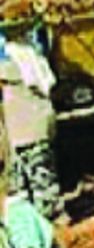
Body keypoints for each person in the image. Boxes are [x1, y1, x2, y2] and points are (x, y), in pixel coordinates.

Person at [0, 35, 61, 219]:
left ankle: (36, 221)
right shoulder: (34, 62)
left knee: (22, 185)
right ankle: (47, 217)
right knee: (40, 179)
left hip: (21, 135)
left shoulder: (9, 68)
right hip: (36, 131)